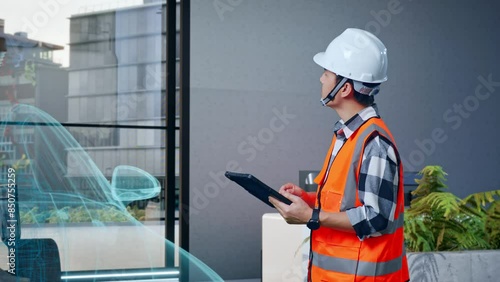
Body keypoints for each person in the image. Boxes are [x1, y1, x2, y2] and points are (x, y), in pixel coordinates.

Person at [269, 28, 410, 282]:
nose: (321, 80)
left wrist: (311, 216)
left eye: (326, 74)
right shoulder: (346, 135)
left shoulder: (374, 143)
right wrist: (310, 200)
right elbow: (345, 203)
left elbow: (377, 218)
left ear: (344, 89)